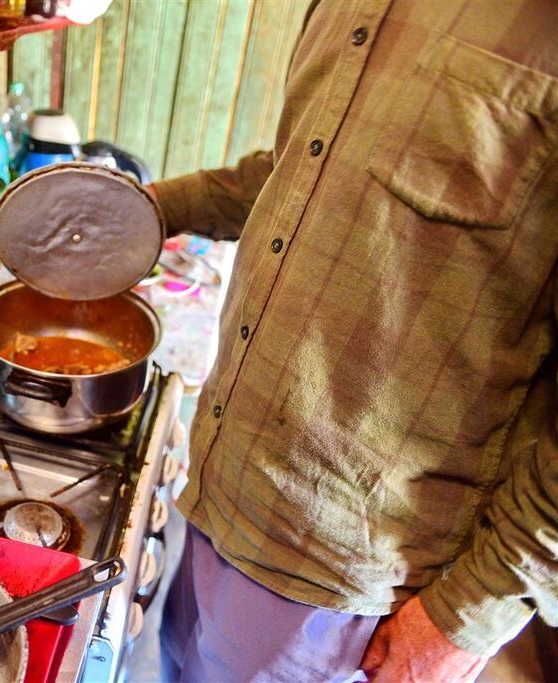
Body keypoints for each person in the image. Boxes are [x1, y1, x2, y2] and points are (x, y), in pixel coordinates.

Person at [148, 1, 558, 681]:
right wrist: (148, 206)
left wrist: (473, 611)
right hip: (222, 485)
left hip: (351, 574)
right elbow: (303, 171)